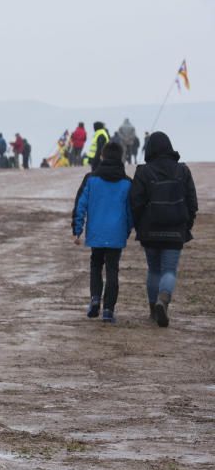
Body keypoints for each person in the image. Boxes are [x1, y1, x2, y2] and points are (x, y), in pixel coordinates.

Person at [129, 131, 198, 327]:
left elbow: (135, 202)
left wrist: (139, 225)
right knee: (169, 270)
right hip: (175, 229)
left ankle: (153, 310)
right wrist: (187, 224)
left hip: (149, 231)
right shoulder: (183, 171)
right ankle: (163, 300)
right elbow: (192, 202)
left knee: (153, 270)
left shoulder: (143, 172)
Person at [72, 141, 133, 322]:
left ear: (102, 156)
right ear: (120, 158)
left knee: (96, 265)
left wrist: (77, 230)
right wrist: (127, 230)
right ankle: (108, 310)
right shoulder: (127, 183)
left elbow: (80, 205)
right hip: (116, 234)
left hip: (96, 233)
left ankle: (95, 299)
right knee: (112, 269)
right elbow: (131, 211)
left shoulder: (91, 179)